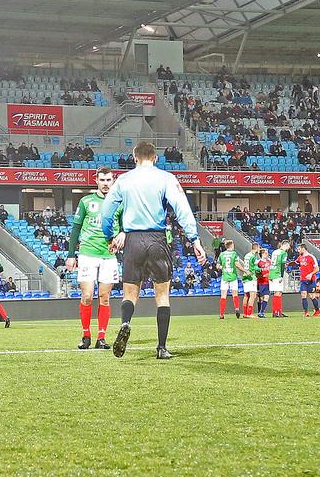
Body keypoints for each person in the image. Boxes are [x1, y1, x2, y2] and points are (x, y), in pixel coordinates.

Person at [101, 141, 206, 360]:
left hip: (133, 239)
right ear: (155, 158)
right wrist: (194, 239)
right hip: (157, 239)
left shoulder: (124, 180)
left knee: (130, 293)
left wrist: (109, 235)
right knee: (162, 295)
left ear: (134, 157)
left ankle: (126, 323)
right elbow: (182, 208)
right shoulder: (166, 178)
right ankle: (161, 348)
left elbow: (107, 211)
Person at [67, 168, 121, 348]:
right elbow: (76, 228)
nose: (106, 183)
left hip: (108, 255)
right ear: (96, 180)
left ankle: (101, 337)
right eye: (102, 180)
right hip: (88, 253)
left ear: (113, 181)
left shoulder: (119, 203)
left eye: (108, 180)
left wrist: (121, 236)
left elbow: (123, 228)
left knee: (104, 297)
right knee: (88, 295)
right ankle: (86, 335)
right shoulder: (86, 201)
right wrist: (70, 255)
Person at [216, 238, 244, 319]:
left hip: (225, 277)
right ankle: (237, 308)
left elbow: (217, 266)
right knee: (235, 294)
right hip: (233, 276)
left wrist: (223, 268)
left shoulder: (222, 254)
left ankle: (221, 314)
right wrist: (244, 270)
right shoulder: (234, 254)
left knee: (223, 295)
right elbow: (237, 264)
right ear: (231, 245)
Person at [296, 243, 320, 317]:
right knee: (303, 294)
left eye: (299, 249)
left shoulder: (311, 257)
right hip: (303, 280)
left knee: (311, 296)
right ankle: (306, 312)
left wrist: (311, 274)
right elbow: (295, 262)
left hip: (311, 280)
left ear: (303, 249)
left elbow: (317, 269)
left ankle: (317, 310)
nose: (298, 250)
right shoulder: (300, 257)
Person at [268, 239, 292, 318]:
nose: (289, 248)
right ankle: (277, 312)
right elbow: (282, 265)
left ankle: (276, 311)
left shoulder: (275, 252)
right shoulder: (283, 253)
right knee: (278, 292)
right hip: (277, 274)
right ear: (285, 245)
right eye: (288, 246)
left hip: (271, 273)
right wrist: (281, 276)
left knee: (276, 293)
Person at [241, 242, 261, 318]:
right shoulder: (253, 256)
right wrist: (261, 269)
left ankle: (245, 313)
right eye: (259, 248)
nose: (259, 249)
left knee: (246, 295)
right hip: (251, 277)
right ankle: (249, 314)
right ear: (256, 248)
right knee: (253, 295)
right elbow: (255, 268)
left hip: (245, 277)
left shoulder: (247, 255)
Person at [254, 247, 272, 318]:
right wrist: (261, 275)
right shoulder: (258, 262)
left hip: (267, 282)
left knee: (266, 297)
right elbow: (256, 272)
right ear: (262, 254)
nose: (267, 254)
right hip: (260, 282)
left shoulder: (269, 262)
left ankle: (262, 312)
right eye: (266, 253)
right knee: (260, 298)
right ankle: (259, 312)